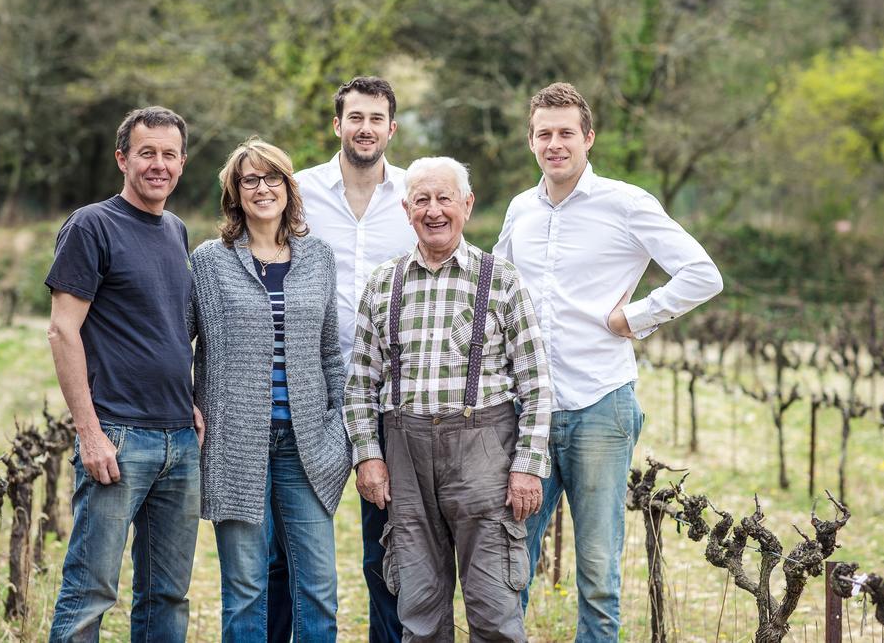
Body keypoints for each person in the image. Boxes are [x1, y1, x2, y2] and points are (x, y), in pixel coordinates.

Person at [493, 82, 724, 641]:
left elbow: (703, 274)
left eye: (566, 132)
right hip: (529, 413)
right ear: (530, 141)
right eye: (543, 134)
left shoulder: (627, 203)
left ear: (588, 138)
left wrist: (638, 316)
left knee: (597, 572)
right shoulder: (520, 210)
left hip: (600, 405)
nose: (555, 143)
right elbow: (493, 291)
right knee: (508, 563)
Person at [344, 157, 553, 643]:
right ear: (406, 208)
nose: (433, 211)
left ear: (467, 205)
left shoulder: (500, 280)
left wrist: (527, 467)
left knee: (495, 610)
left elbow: (537, 384)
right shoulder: (384, 283)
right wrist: (368, 457)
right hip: (405, 459)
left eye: (445, 199)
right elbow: (359, 385)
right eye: (422, 200)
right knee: (418, 615)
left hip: (484, 456)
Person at [47, 106, 204, 642]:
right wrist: (90, 433)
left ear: (182, 162)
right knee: (90, 592)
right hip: (117, 435)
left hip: (179, 440)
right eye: (146, 153)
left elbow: (166, 327)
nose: (157, 165)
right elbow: (63, 332)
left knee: (167, 595)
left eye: (168, 154)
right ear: (123, 159)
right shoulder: (91, 225)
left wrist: (190, 401)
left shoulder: (176, 231)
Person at [269, 75, 416, 643]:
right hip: (309, 392)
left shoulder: (413, 196)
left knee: (389, 551)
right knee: (286, 554)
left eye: (376, 119)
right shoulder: (297, 193)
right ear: (337, 124)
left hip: (389, 393)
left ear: (391, 129)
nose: (365, 128)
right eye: (355, 117)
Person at [189, 137, 352, 642]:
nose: (263, 188)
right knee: (245, 592)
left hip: (307, 447)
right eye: (250, 180)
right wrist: (189, 406)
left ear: (289, 186)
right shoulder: (209, 263)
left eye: (273, 177)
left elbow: (330, 353)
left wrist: (338, 425)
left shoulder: (318, 258)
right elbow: (180, 342)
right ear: (235, 193)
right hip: (235, 444)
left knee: (319, 588)